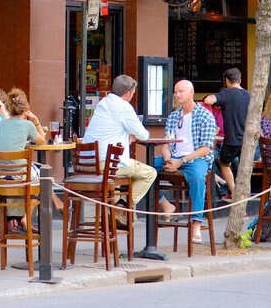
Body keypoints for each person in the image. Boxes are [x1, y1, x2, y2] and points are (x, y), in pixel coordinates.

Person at [82, 74, 158, 226]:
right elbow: (144, 135)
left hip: (88, 165)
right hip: (107, 166)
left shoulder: (103, 103)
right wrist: (132, 134)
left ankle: (114, 214)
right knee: (150, 173)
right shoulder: (123, 107)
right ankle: (121, 207)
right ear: (128, 93)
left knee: (116, 180)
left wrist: (126, 134)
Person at [156, 80, 217, 244]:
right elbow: (166, 144)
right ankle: (164, 203)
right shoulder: (174, 116)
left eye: (181, 91)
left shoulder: (205, 116)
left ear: (191, 92)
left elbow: (205, 149)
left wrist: (181, 161)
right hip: (174, 157)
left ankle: (196, 222)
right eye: (176, 92)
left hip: (195, 158)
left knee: (198, 177)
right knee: (145, 168)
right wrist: (168, 158)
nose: (177, 95)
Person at [0, 88, 47, 233]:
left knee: (34, 169)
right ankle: (26, 217)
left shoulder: (1, 124)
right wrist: (36, 121)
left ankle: (14, 218)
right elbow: (42, 141)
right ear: (26, 108)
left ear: (9, 108)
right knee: (44, 174)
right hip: (18, 175)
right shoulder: (28, 125)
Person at [203, 67, 250, 199]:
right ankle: (243, 196)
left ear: (227, 81)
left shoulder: (227, 93)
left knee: (223, 163)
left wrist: (214, 99)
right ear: (240, 80)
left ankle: (234, 192)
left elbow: (208, 100)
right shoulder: (249, 95)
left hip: (231, 141)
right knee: (244, 169)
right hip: (248, 142)